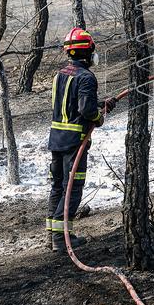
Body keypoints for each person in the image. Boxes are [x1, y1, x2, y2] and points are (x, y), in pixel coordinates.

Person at [47, 27, 114, 251]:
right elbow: (85, 109)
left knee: (57, 186)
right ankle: (62, 237)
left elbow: (72, 103)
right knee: (73, 188)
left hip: (56, 139)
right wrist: (98, 116)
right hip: (74, 141)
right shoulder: (86, 77)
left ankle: (52, 235)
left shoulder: (60, 74)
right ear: (88, 52)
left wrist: (101, 104)